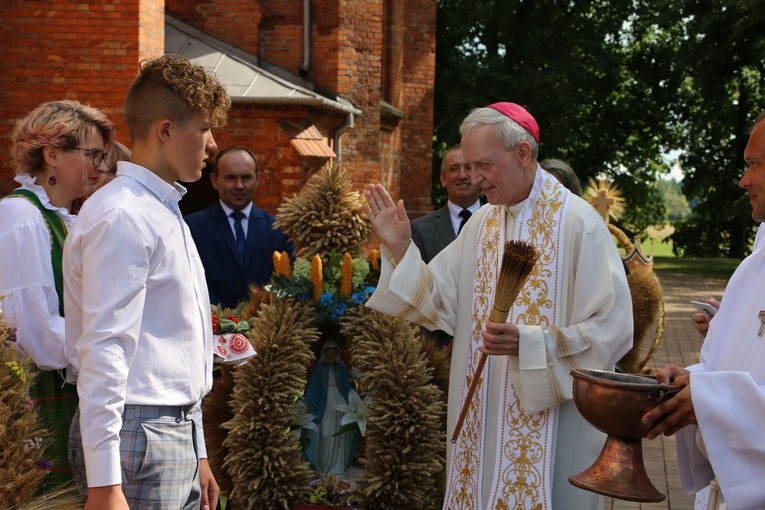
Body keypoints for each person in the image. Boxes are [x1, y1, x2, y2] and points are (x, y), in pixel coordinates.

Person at [364, 102, 633, 509]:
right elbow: (438, 297)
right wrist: (401, 248)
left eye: (483, 165)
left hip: (553, 427)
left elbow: (614, 328)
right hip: (482, 421)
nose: (472, 178)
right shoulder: (482, 223)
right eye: (468, 165)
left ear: (522, 153)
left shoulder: (579, 224)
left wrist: (530, 343)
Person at [63, 54, 230, 510]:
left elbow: (178, 344)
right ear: (165, 130)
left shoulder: (161, 209)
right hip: (136, 435)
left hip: (166, 432)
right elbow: (104, 350)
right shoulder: (124, 215)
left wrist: (197, 450)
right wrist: (104, 485)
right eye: (204, 128)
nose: (212, 143)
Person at [643, 111, 765, 510]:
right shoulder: (757, 261)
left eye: (754, 164)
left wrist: (707, 399)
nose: (744, 180)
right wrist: (691, 382)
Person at [0, 99, 114, 492]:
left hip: (68, 390)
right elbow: (35, 334)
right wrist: (110, 349)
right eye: (92, 154)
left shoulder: (63, 219)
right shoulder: (20, 216)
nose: (101, 166)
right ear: (51, 154)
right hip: (39, 400)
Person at [185, 146, 294, 308]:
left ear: (257, 179)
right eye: (230, 178)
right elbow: (189, 280)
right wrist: (224, 318)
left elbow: (288, 281)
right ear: (215, 181)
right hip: (212, 326)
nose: (239, 185)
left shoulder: (279, 229)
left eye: (246, 177)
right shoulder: (192, 227)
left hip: (267, 326)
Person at [411, 144, 482, 263]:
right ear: (443, 179)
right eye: (454, 169)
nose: (462, 175)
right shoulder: (420, 229)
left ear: (480, 176)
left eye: (468, 167)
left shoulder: (499, 220)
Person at [303, 340, 359, 476]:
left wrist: (353, 401)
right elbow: (312, 387)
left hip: (340, 403)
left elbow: (349, 386)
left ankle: (338, 465)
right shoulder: (319, 369)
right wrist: (308, 402)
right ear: (325, 353)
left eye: (334, 352)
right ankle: (323, 465)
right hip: (324, 404)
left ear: (336, 353)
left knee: (340, 433)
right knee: (325, 433)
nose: (331, 354)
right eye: (329, 351)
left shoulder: (340, 368)